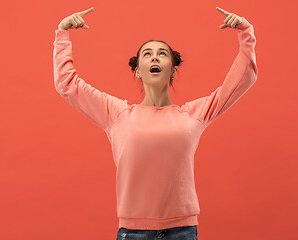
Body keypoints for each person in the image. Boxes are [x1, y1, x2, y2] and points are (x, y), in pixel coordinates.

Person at [53, 6, 258, 240]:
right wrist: (62, 33)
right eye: (147, 54)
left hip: (182, 231)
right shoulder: (116, 113)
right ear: (138, 71)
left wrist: (245, 31)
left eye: (162, 53)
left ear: (172, 69)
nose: (154, 57)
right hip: (133, 232)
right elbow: (67, 85)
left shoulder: (194, 114)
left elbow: (244, 77)